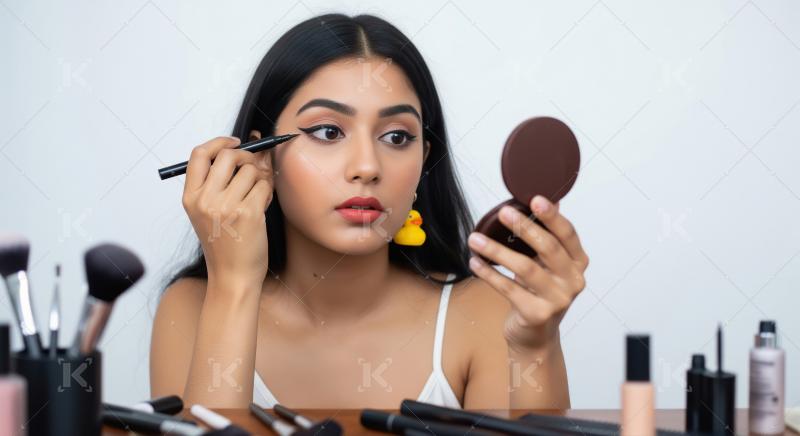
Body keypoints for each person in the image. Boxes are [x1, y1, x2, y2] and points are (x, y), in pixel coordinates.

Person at [150, 13, 589, 410]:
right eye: (328, 131)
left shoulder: (485, 314)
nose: (366, 167)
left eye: (396, 137)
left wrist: (536, 347)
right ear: (261, 156)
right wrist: (233, 285)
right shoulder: (191, 308)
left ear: (423, 160)